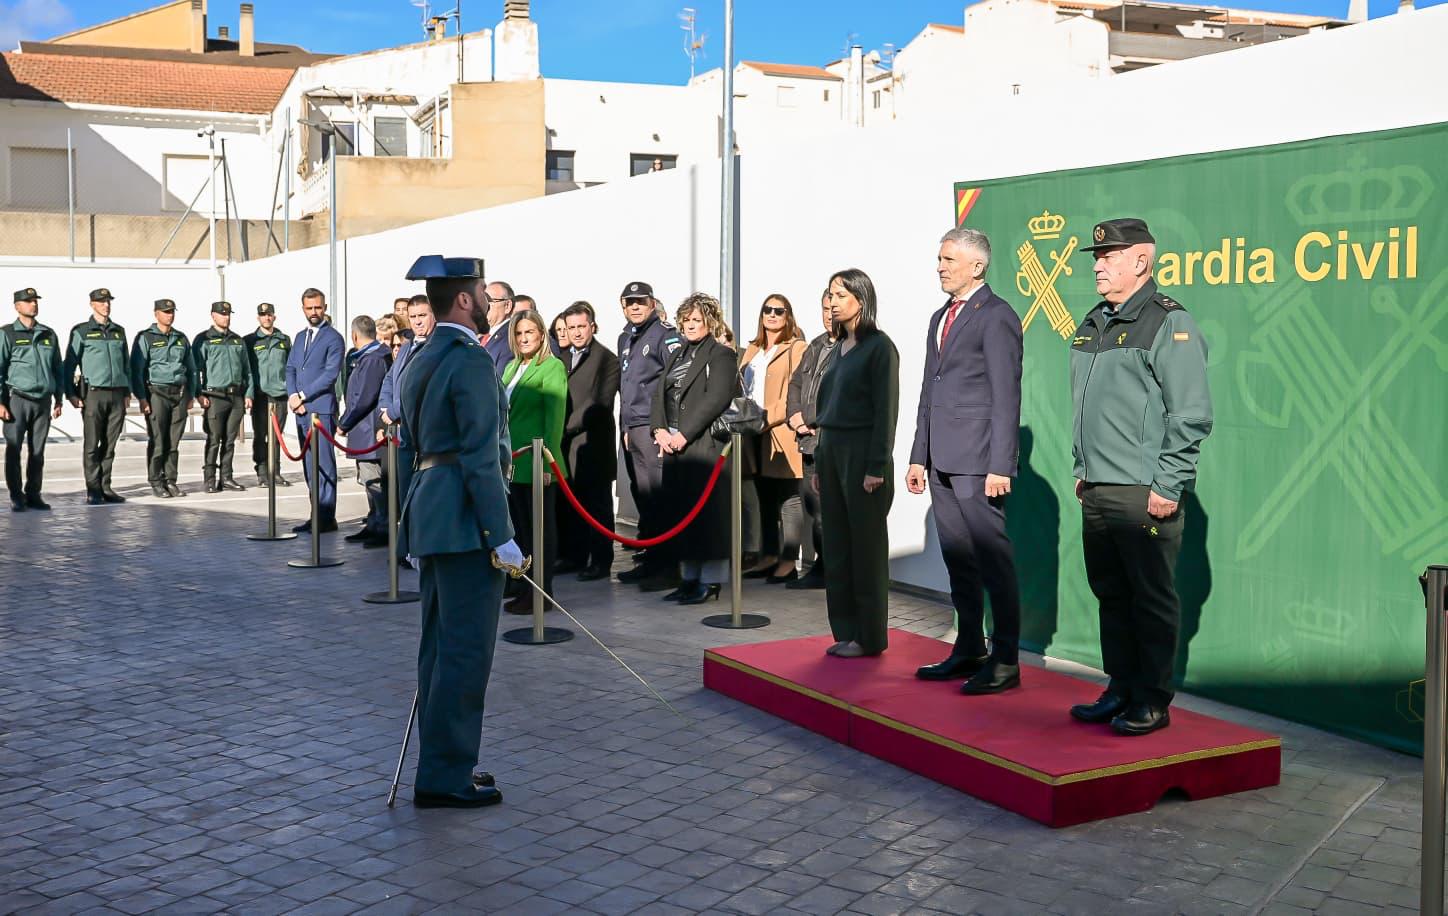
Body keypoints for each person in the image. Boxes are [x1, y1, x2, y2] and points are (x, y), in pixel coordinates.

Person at [1068, 218, 1213, 736]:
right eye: (1097, 255)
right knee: (1111, 593)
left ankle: (1151, 699)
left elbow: (1190, 412)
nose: (1098, 263)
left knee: (1150, 597)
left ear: (1141, 261)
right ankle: (1121, 686)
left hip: (1144, 492)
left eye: (1109, 255)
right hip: (1099, 487)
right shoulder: (1094, 321)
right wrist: (1084, 471)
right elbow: (1089, 408)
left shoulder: (1169, 321)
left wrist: (1167, 486)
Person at [397, 254, 522, 808]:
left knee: (439, 651)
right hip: (465, 521)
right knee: (465, 654)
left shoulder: (423, 355)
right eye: (483, 293)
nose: (491, 304)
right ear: (466, 300)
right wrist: (501, 533)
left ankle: (444, 764)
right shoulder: (469, 360)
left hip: (432, 512)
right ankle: (445, 775)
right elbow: (479, 456)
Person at [907, 228, 1025, 695]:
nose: (940, 266)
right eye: (939, 258)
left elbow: (1006, 394)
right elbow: (928, 391)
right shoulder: (941, 316)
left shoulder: (996, 316)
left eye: (949, 259)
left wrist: (1001, 464)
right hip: (940, 461)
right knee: (959, 559)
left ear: (977, 266)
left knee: (994, 560)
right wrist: (919, 456)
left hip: (979, 462)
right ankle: (969, 647)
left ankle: (1006, 659)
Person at [814, 269, 899, 658]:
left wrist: (876, 466)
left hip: (862, 453)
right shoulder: (836, 350)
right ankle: (845, 630)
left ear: (861, 300)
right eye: (830, 295)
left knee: (866, 549)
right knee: (836, 545)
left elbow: (886, 412)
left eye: (840, 295)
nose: (832, 302)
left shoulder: (880, 347)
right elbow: (825, 410)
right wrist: (818, 463)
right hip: (831, 450)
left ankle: (869, 637)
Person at [650, 293, 738, 605]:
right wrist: (658, 429)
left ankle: (709, 582)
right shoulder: (678, 353)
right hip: (673, 444)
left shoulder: (721, 355)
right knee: (681, 515)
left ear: (710, 323)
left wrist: (683, 435)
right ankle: (688, 578)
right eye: (686, 320)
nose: (689, 325)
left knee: (707, 517)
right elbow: (659, 393)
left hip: (702, 445)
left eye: (696, 320)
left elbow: (716, 398)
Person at [499, 309, 569, 614]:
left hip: (537, 461)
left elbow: (555, 418)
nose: (524, 338)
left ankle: (541, 591)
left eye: (530, 332)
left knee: (539, 531)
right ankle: (521, 583)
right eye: (519, 333)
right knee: (520, 530)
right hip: (512, 463)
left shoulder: (551, 367)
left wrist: (547, 462)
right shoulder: (512, 366)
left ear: (541, 334)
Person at [616, 280, 683, 589]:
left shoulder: (664, 336)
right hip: (634, 427)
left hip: (654, 427)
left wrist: (666, 427)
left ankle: (667, 568)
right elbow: (627, 385)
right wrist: (626, 428)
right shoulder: (626, 338)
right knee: (645, 500)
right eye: (630, 302)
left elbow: (675, 382)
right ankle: (651, 559)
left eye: (641, 301)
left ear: (652, 303)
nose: (635, 307)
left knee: (660, 500)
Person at [739, 295, 808, 583]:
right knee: (763, 496)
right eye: (767, 309)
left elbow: (795, 392)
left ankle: (789, 560)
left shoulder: (797, 347)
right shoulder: (753, 348)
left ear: (788, 316)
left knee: (788, 497)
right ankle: (767, 555)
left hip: (778, 431)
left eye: (779, 311)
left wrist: (768, 417)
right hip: (751, 431)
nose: (772, 315)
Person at [557, 301, 620, 581]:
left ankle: (601, 561)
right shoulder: (559, 358)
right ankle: (574, 556)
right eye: (571, 327)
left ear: (592, 326)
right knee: (571, 505)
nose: (577, 332)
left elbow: (600, 404)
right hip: (566, 448)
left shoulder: (607, 359)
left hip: (593, 445)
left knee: (597, 507)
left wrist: (563, 428)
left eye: (581, 326)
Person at [784, 289, 837, 589]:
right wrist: (795, 415)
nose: (830, 314)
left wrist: (812, 418)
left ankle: (831, 569)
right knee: (815, 510)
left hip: (829, 442)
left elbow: (839, 393)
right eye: (825, 308)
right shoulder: (815, 345)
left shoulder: (850, 347)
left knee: (828, 514)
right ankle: (821, 564)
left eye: (835, 307)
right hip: (807, 443)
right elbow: (796, 383)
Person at [285, 288, 344, 533]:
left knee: (325, 465)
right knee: (309, 464)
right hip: (301, 412)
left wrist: (303, 395)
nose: (314, 312)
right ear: (303, 309)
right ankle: (315, 513)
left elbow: (330, 374)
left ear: (325, 307)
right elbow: (290, 368)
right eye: (309, 308)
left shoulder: (334, 338)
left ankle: (326, 517)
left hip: (321, 410)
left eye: (318, 307)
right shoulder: (300, 337)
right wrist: (291, 395)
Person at [64, 288, 131, 505]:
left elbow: (126, 364)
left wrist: (127, 391)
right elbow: (69, 364)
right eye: (101, 301)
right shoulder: (82, 331)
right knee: (92, 444)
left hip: (117, 394)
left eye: (108, 301)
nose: (106, 305)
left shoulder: (119, 331)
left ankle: (105, 486)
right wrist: (71, 394)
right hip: (94, 394)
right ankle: (93, 489)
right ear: (92, 304)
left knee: (110, 444)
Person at [1, 288, 63, 511]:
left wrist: (59, 399)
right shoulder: (7, 333)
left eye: (35, 301)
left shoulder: (48, 334)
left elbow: (58, 368)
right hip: (17, 399)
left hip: (43, 401)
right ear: (17, 306)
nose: (33, 305)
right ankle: (16, 495)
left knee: (38, 451)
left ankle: (33, 493)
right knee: (14, 449)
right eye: (28, 301)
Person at [129, 299, 196, 499]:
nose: (169, 315)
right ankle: (156, 481)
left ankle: (171, 480)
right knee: (158, 440)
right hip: (156, 393)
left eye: (172, 311)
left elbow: (191, 369)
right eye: (165, 312)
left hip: (179, 394)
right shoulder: (146, 337)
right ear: (156, 313)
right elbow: (136, 370)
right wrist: (141, 397)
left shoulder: (180, 338)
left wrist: (191, 395)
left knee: (174, 442)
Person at [338, 316, 391, 546]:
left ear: (355, 336)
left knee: (374, 481)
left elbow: (364, 397)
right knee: (368, 481)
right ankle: (373, 523)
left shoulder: (373, 359)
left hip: (368, 430)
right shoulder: (367, 356)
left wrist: (344, 422)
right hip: (363, 430)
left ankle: (383, 527)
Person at [380, 294, 434, 516]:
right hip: (402, 435)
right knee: (404, 499)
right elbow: (390, 379)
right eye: (413, 317)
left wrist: (393, 411)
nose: (417, 321)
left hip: (423, 436)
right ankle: (407, 546)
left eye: (422, 315)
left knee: (422, 500)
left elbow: (422, 389)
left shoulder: (435, 347)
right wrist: (384, 407)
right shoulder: (406, 345)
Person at [193, 301, 253, 493]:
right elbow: (195, 370)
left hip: (235, 397)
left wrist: (249, 393)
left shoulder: (238, 340)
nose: (226, 317)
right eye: (222, 314)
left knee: (229, 440)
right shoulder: (204, 339)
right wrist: (199, 394)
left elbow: (247, 371)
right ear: (213, 316)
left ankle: (226, 477)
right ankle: (210, 478)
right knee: (214, 439)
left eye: (228, 314)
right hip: (214, 396)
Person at [244, 303, 292, 488]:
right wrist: (248, 394)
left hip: (279, 395)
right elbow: (246, 370)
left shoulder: (284, 340)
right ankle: (262, 472)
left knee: (277, 436)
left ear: (274, 317)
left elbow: (290, 367)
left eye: (269, 315)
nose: (266, 318)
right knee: (261, 435)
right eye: (263, 315)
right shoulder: (250, 341)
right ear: (258, 318)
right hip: (260, 395)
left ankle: (276, 472)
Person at [481, 280, 516, 375]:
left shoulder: (511, 338)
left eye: (489, 301)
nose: (484, 306)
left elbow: (500, 381)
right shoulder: (483, 336)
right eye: (482, 300)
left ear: (507, 306)